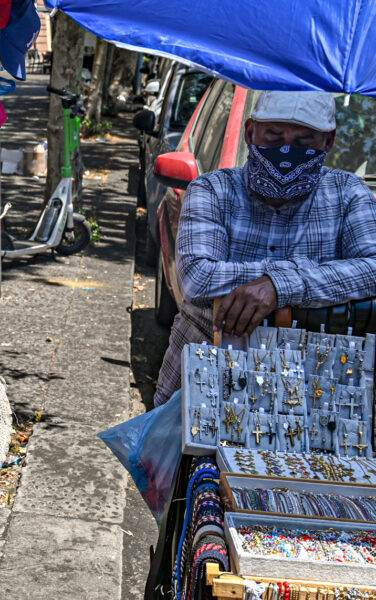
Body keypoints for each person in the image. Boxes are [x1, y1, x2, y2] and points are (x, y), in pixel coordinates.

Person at [154, 90, 376, 407]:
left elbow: (372, 269)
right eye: (273, 138)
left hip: (312, 394)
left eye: (303, 143)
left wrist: (277, 286)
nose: (286, 152)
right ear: (250, 133)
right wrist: (304, 275)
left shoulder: (349, 194)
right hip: (202, 382)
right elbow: (198, 277)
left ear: (327, 143)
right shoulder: (213, 189)